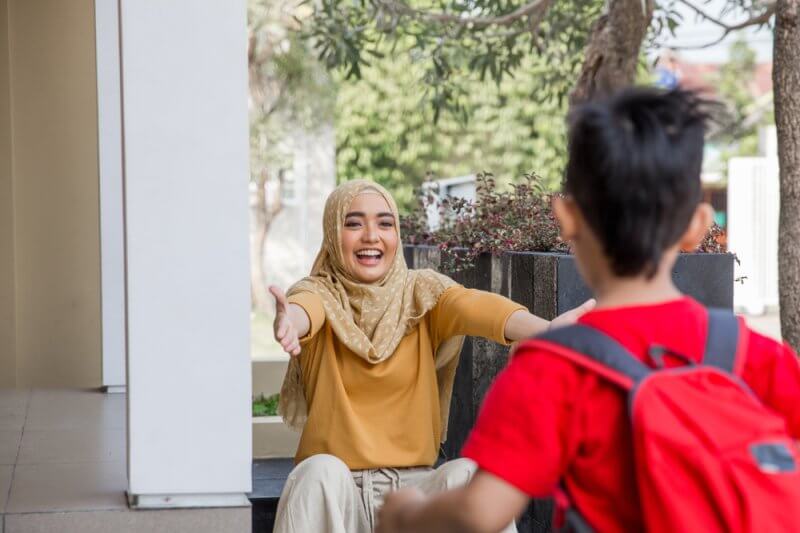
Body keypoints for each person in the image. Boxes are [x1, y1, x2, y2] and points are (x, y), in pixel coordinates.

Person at [375, 87, 800, 533]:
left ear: (566, 216)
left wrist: (407, 515)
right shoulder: (755, 355)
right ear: (697, 226)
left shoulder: (552, 367)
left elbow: (480, 513)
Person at [269, 179, 594, 533]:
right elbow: (305, 309)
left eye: (384, 222)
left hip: (416, 497)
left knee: (469, 474)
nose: (371, 235)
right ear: (333, 233)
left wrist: (546, 330)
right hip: (337, 498)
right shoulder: (319, 293)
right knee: (317, 472)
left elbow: (474, 306)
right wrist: (291, 321)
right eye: (353, 223)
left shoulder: (421, 293)